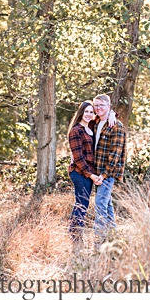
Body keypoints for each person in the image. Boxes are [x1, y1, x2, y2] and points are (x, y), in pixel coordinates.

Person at [66, 101, 104, 239]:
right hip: (79, 172)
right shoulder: (76, 130)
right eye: (86, 111)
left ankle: (72, 231)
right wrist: (91, 175)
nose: (89, 114)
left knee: (81, 202)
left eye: (91, 112)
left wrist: (111, 114)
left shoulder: (91, 127)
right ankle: (76, 236)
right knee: (82, 203)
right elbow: (78, 158)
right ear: (81, 112)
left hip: (89, 172)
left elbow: (105, 114)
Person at [91, 95, 127, 236]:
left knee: (100, 204)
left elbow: (115, 155)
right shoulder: (96, 122)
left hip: (107, 173)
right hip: (97, 172)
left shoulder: (116, 126)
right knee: (107, 205)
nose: (98, 108)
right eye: (96, 105)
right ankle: (114, 238)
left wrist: (103, 175)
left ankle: (99, 242)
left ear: (109, 106)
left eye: (101, 105)